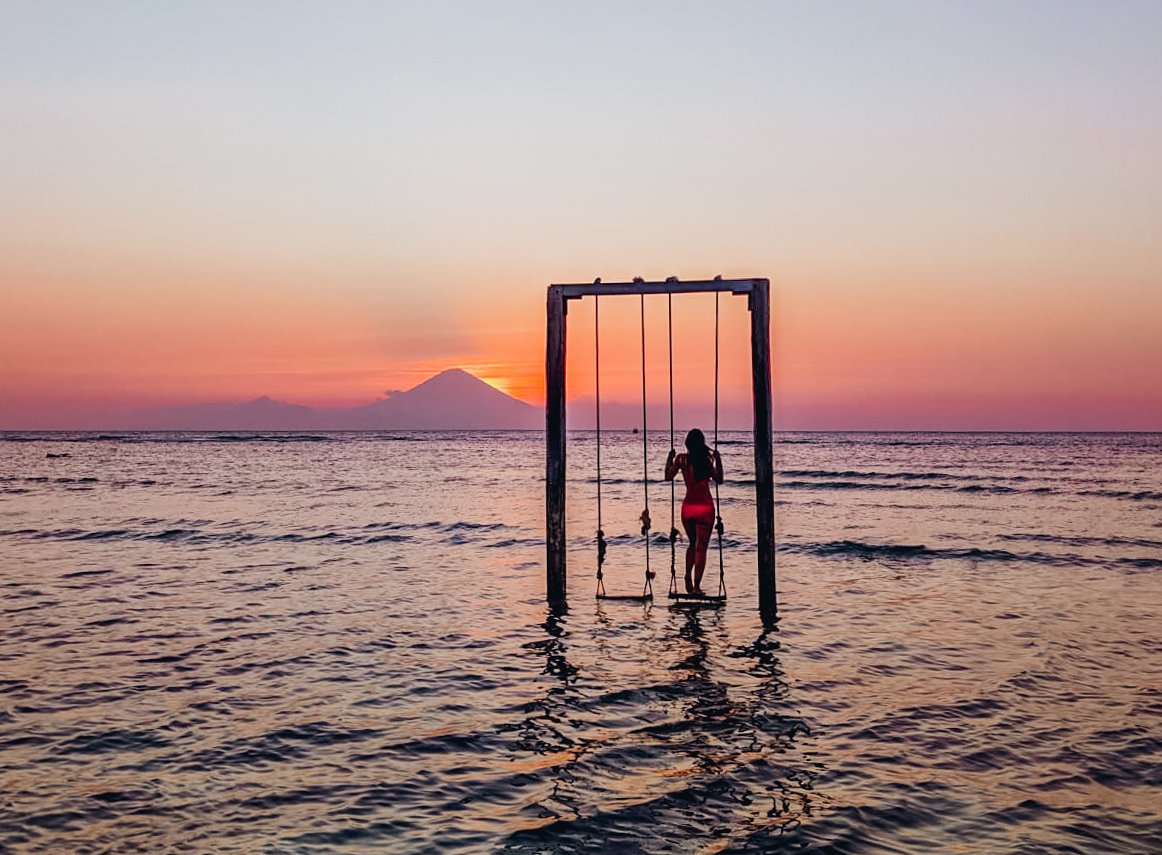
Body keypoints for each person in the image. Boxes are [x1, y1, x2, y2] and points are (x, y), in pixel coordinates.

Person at [664, 428, 724, 595]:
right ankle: (696, 587)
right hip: (705, 508)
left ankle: (687, 577)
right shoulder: (707, 460)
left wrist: (669, 459)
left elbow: (668, 477)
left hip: (688, 508)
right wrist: (718, 460)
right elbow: (720, 479)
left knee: (692, 543)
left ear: (687, 444)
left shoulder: (681, 460)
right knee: (701, 548)